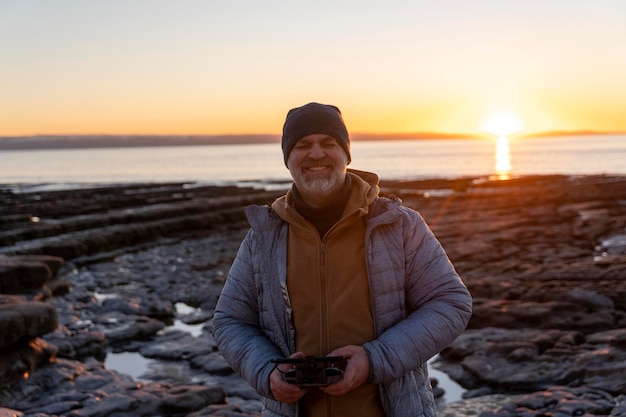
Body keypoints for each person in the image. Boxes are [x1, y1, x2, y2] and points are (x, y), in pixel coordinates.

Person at [213, 102, 472, 417]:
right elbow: (231, 321)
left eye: (328, 143)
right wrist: (267, 371)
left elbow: (449, 302)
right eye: (303, 145)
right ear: (288, 159)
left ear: (347, 154)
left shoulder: (399, 225)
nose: (316, 154)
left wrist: (373, 360)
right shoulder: (265, 236)